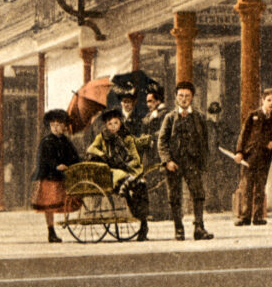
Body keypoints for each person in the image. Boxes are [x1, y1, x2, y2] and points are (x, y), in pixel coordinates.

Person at [156, 82, 214, 241]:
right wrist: (167, 161)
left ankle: (199, 228)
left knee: (198, 194)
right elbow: (162, 142)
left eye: (187, 96)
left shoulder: (199, 117)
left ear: (192, 97)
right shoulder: (169, 118)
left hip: (192, 163)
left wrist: (203, 162)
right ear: (176, 97)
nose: (184, 99)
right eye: (181, 95)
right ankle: (178, 229)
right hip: (173, 164)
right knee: (174, 197)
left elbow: (204, 142)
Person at [86, 108, 150, 241]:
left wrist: (128, 167)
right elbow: (91, 148)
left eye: (116, 123)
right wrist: (102, 154)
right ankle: (127, 185)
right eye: (110, 124)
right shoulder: (102, 137)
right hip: (110, 172)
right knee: (123, 182)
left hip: (126, 169)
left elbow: (135, 158)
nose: (113, 127)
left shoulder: (127, 138)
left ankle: (143, 223)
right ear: (106, 125)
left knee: (140, 188)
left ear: (120, 122)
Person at [235, 88, 272, 225]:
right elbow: (243, 135)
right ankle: (245, 217)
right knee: (246, 187)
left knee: (260, 187)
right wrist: (239, 152)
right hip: (249, 156)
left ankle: (257, 217)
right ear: (263, 100)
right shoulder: (253, 116)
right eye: (269, 100)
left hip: (264, 158)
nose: (271, 104)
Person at [32, 109, 80, 244]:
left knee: (60, 202)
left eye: (60, 125)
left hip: (62, 178)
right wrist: (56, 165)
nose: (57, 128)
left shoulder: (65, 141)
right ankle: (51, 230)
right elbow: (44, 159)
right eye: (54, 125)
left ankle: (54, 230)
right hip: (50, 178)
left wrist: (73, 163)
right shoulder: (46, 141)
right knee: (49, 205)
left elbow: (74, 156)